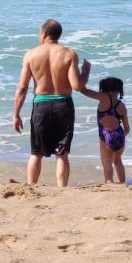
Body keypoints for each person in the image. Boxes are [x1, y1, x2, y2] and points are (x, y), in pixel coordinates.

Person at [12, 19, 83, 186]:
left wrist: (16, 114)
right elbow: (77, 86)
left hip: (41, 106)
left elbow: (22, 88)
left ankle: (31, 187)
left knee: (36, 153)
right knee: (62, 154)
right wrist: (85, 73)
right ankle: (61, 190)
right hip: (63, 105)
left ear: (43, 33)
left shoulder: (30, 55)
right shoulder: (69, 54)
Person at [77, 59, 130, 184]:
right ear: (119, 90)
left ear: (104, 89)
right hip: (120, 136)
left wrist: (83, 72)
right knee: (117, 161)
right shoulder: (121, 105)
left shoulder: (102, 97)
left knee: (107, 164)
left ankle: (109, 182)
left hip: (106, 136)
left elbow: (83, 90)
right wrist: (120, 135)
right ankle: (123, 183)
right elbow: (127, 128)